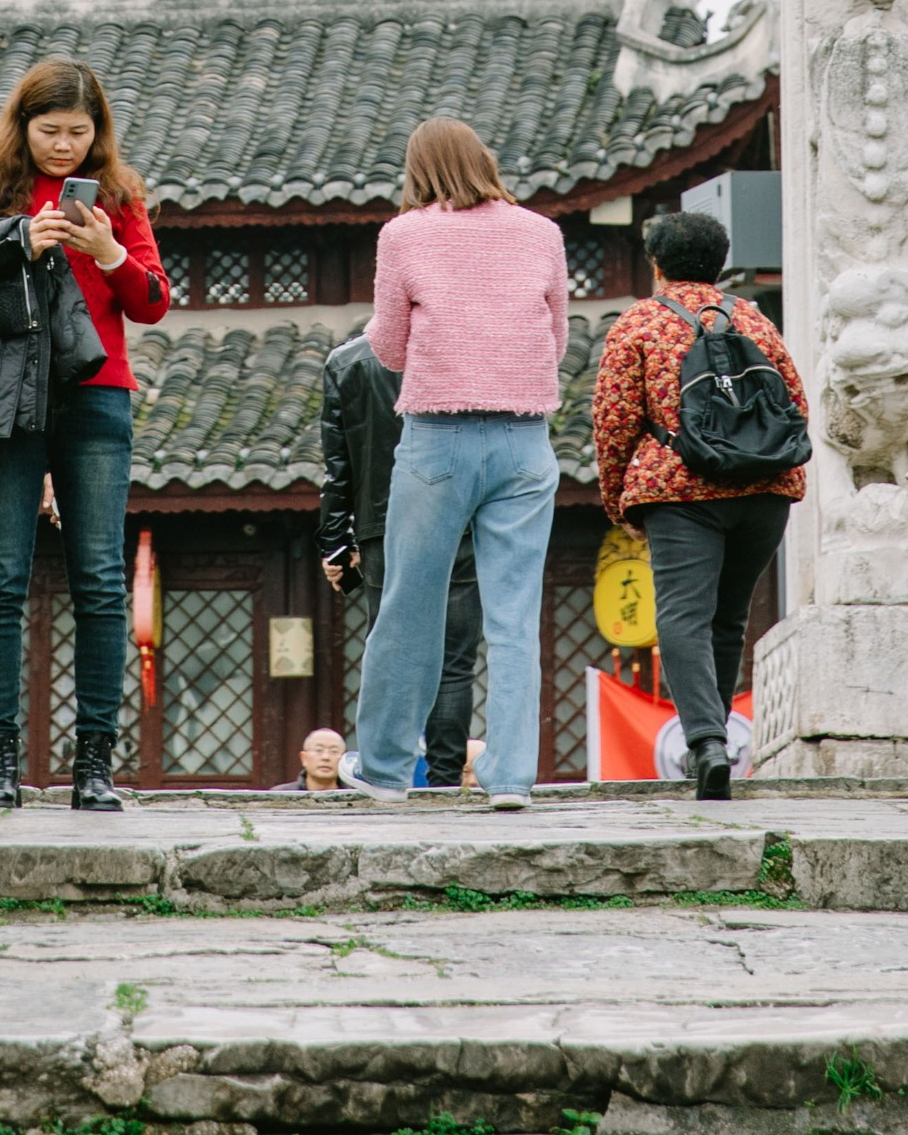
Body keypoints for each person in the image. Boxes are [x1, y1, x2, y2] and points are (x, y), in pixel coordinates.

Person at [0, 59, 171, 815]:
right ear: (22, 127)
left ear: (98, 131)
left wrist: (107, 251)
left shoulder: (121, 200)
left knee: (99, 578)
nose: (63, 148)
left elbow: (154, 302)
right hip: (6, 399)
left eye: (78, 132)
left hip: (97, 397)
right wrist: (18, 244)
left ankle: (93, 764)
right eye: (48, 132)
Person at [339, 118, 568, 813]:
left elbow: (387, 346)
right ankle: (509, 777)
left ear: (419, 169)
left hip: (437, 438)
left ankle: (382, 767)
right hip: (526, 440)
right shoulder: (542, 232)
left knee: (410, 603)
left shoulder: (403, 235)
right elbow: (556, 336)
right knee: (514, 614)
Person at [588, 208, 807, 800]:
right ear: (721, 262)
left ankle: (706, 741)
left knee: (682, 615)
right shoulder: (756, 322)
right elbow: (796, 408)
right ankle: (719, 746)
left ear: (656, 264)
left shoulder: (641, 323)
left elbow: (613, 423)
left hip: (681, 491)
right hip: (764, 492)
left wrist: (619, 502)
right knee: (728, 616)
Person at [319, 317, 482, 789]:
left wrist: (335, 541)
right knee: (454, 660)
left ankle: (385, 770)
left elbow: (338, 465)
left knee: (392, 649)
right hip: (458, 521)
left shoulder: (348, 362)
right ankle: (447, 777)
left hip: (382, 526)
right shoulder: (463, 347)